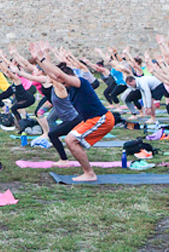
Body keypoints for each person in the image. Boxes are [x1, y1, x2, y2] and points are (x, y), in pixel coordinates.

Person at [35, 50, 114, 182]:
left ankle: (89, 173)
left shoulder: (79, 82)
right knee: (71, 140)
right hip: (90, 119)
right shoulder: (68, 87)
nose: (61, 82)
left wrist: (42, 59)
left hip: (101, 118)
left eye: (63, 80)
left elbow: (59, 74)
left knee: (70, 140)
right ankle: (87, 170)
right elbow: (54, 75)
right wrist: (38, 59)